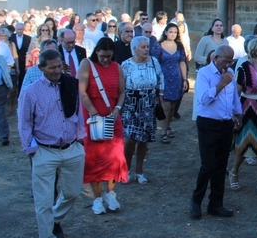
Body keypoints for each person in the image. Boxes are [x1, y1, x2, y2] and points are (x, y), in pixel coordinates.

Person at [17, 49, 87, 238]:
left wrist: (80, 137)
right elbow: (24, 123)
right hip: (44, 150)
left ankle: (54, 219)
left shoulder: (71, 84)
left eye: (59, 66)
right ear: (41, 68)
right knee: (44, 200)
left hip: (71, 147)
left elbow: (78, 112)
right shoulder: (31, 93)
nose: (57, 71)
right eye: (52, 67)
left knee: (73, 192)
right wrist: (31, 150)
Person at [190, 46, 242, 219]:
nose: (228, 64)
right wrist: (221, 84)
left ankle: (216, 204)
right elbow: (204, 99)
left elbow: (233, 97)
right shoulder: (204, 74)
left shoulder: (230, 73)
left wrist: (238, 113)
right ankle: (196, 201)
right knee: (208, 165)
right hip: (208, 124)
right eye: (226, 61)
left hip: (225, 123)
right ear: (216, 58)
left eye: (231, 61)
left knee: (221, 165)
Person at [77, 38, 128, 215]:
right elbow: (82, 92)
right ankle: (97, 198)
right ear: (96, 52)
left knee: (115, 156)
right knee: (96, 158)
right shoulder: (87, 64)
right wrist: (94, 113)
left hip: (113, 118)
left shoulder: (117, 67)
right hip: (93, 118)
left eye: (109, 56)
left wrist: (117, 108)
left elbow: (121, 92)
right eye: (102, 56)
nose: (106, 60)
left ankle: (111, 193)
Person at [230, 38, 257, 194]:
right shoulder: (244, 68)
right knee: (245, 144)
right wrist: (235, 113)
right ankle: (234, 171)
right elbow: (236, 93)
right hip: (249, 110)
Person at [121, 36, 164, 185]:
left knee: (144, 139)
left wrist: (160, 97)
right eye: (143, 47)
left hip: (149, 105)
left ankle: (140, 171)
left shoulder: (154, 62)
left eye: (147, 47)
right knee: (129, 139)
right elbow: (121, 86)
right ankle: (126, 170)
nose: (147, 49)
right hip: (131, 105)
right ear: (134, 49)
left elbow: (160, 79)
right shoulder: (126, 64)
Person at [151, 23, 188, 143]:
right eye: (171, 32)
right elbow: (154, 63)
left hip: (176, 78)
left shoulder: (179, 46)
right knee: (165, 105)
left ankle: (167, 127)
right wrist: (156, 80)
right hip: (163, 78)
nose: (173, 34)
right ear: (166, 32)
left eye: (175, 32)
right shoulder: (158, 46)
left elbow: (182, 62)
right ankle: (163, 131)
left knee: (172, 106)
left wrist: (185, 79)